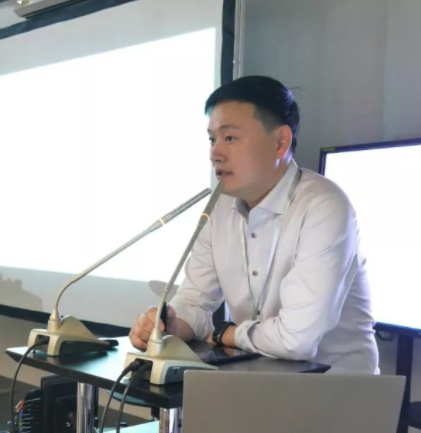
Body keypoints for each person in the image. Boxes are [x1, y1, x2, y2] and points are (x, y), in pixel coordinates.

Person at [129, 75, 379, 374]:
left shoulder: (324, 206)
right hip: (259, 382)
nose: (214, 154)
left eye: (230, 138)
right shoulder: (219, 209)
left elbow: (296, 340)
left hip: (337, 390)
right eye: (212, 139)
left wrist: (225, 334)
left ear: (280, 142)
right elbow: (195, 302)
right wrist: (170, 326)